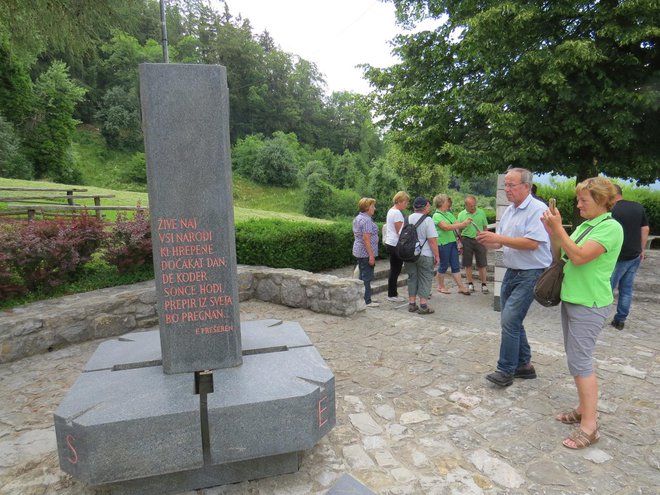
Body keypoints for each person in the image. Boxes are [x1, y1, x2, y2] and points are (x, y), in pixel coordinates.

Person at [541, 177, 623, 449]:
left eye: (583, 200)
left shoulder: (611, 228)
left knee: (581, 363)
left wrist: (559, 230)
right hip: (573, 298)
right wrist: (554, 233)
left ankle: (590, 427)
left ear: (601, 201)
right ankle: (582, 410)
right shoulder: (588, 226)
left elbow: (579, 256)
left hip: (590, 303)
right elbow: (561, 256)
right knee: (576, 359)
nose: (578, 205)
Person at [476, 168, 552, 387]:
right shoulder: (510, 210)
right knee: (511, 320)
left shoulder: (538, 209)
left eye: (511, 185)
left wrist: (497, 237)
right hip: (512, 271)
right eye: (505, 185)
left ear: (526, 187)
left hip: (531, 273)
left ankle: (505, 370)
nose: (507, 190)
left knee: (509, 319)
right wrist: (487, 241)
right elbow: (501, 242)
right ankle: (524, 365)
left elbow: (532, 243)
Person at [609, 185, 650, 330]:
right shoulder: (637, 207)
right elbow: (645, 228)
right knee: (626, 289)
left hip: (617, 256)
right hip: (635, 255)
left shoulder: (611, 210)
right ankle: (620, 320)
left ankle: (598, 316)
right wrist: (642, 249)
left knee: (607, 288)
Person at [405, 196, 440, 314]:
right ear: (425, 207)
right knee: (425, 278)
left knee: (412, 277)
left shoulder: (407, 218)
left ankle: (412, 304)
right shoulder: (427, 220)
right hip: (424, 254)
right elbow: (432, 241)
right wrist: (437, 256)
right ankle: (423, 306)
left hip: (409, 254)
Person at [432, 194, 471, 295]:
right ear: (441, 203)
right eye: (446, 201)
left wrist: (466, 221)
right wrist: (462, 224)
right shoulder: (436, 215)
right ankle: (440, 286)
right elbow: (446, 227)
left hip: (452, 242)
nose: (449, 203)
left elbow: (456, 223)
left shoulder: (448, 214)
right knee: (443, 265)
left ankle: (461, 287)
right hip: (443, 244)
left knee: (455, 265)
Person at [457, 195, 490, 293]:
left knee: (482, 263)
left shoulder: (481, 212)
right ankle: (470, 283)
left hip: (480, 240)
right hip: (466, 239)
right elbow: (459, 229)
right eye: (471, 206)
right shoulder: (461, 214)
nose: (473, 207)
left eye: (474, 205)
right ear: (466, 205)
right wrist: (460, 241)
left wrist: (485, 239)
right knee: (467, 263)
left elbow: (485, 227)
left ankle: (484, 284)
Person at [352, 198, 379, 308]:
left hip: (359, 250)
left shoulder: (358, 218)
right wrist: (371, 256)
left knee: (361, 276)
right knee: (366, 277)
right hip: (365, 252)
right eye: (372, 206)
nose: (374, 208)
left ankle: (362, 297)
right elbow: (366, 239)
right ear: (367, 208)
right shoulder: (367, 220)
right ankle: (367, 300)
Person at [384, 191, 410, 302]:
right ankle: (392, 294)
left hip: (390, 242)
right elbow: (400, 231)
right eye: (405, 202)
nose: (406, 204)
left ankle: (392, 293)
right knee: (395, 270)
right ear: (399, 201)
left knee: (394, 269)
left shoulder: (391, 210)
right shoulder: (397, 214)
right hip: (395, 244)